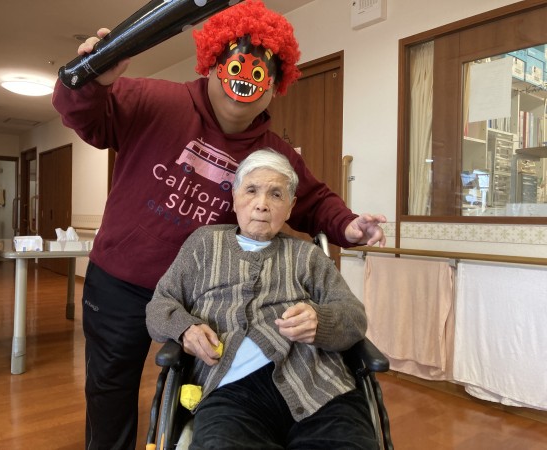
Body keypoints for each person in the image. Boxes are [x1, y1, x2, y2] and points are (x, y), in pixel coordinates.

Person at [52, 1, 386, 448]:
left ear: (275, 87)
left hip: (205, 296)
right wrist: (89, 78)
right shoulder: (155, 100)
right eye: (235, 66)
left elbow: (312, 199)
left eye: (260, 74)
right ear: (212, 64)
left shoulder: (273, 155)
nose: (244, 81)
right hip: (121, 280)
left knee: (193, 387)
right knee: (110, 390)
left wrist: (349, 226)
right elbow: (86, 116)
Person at [146, 149, 377, 450]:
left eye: (276, 194)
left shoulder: (307, 255)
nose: (262, 204)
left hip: (318, 387)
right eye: (251, 190)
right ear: (234, 198)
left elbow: (354, 317)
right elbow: (159, 305)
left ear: (290, 207)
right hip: (230, 394)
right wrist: (185, 329)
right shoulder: (204, 244)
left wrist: (321, 322)